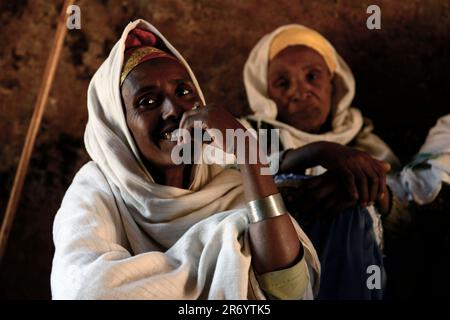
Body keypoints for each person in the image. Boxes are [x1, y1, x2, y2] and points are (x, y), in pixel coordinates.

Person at [50, 19, 322, 300]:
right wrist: (205, 264)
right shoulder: (97, 188)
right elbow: (84, 291)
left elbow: (291, 291)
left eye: (183, 92)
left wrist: (249, 154)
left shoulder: (229, 176)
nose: (174, 111)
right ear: (117, 128)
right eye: (147, 102)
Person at [241, 24, 408, 299]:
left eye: (312, 76)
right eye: (283, 83)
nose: (300, 91)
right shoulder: (245, 138)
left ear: (334, 81)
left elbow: (410, 221)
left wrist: (369, 190)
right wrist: (314, 155)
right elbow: (227, 182)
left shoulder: (364, 142)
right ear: (264, 93)